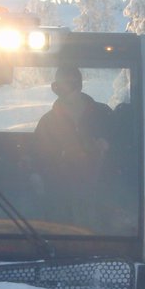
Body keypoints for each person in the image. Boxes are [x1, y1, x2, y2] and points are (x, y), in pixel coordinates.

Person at [32, 66, 117, 229]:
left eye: (69, 85)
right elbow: (39, 161)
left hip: (104, 203)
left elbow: (128, 153)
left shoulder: (104, 115)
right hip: (62, 207)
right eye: (58, 87)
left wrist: (107, 148)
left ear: (79, 85)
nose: (63, 91)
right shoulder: (48, 122)